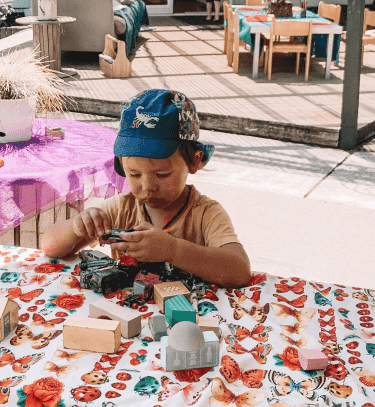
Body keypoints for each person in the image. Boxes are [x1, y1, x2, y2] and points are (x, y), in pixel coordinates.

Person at [42, 89, 251, 287]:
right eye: (134, 174)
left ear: (194, 161)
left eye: (162, 174)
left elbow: (239, 270)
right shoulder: (122, 209)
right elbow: (50, 246)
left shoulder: (206, 214)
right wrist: (77, 227)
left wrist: (173, 250)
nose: (148, 186)